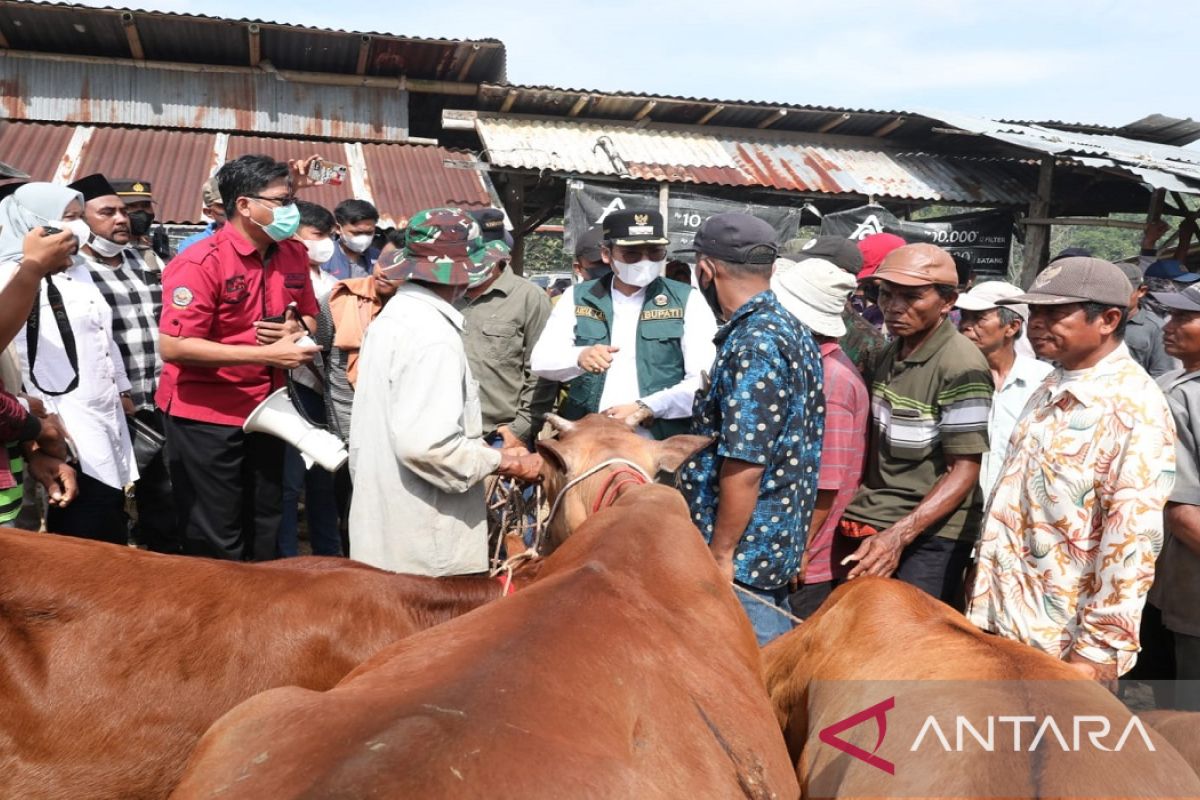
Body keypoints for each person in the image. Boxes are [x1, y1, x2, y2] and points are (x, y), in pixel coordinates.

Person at [966, 257, 1176, 686]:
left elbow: (1131, 542)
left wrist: (1097, 651)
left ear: (1109, 319)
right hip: (1005, 621)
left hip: (1062, 644)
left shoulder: (1133, 407)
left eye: (1055, 313)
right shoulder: (1052, 383)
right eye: (1035, 311)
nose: (1037, 323)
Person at [348, 208, 542, 576]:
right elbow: (428, 447)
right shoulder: (433, 337)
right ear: (466, 272)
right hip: (425, 548)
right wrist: (505, 461)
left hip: (389, 528)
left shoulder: (394, 318)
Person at [157, 154, 320, 562]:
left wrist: (297, 332)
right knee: (216, 531)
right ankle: (213, 618)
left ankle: (254, 615)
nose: (291, 210)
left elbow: (312, 317)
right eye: (282, 201)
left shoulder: (293, 254)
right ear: (245, 205)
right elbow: (174, 346)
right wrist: (265, 352)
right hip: (206, 415)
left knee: (265, 519)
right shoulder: (200, 262)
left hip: (268, 410)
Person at [677, 213, 824, 645]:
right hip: (773, 541)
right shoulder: (791, 330)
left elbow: (746, 460)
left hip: (743, 555)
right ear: (771, 268)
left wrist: (721, 553)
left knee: (751, 675)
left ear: (706, 269)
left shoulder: (754, 341)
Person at [837, 244, 992, 608]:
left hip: (931, 533)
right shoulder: (892, 350)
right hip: (879, 518)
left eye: (911, 296)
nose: (893, 306)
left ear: (948, 301)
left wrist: (899, 536)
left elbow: (964, 469)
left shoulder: (960, 364)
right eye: (885, 294)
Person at [0, 182, 138, 544]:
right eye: (67, 218)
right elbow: (14, 359)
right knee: (81, 520)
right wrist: (36, 424)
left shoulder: (78, 269)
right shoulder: (10, 277)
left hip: (101, 408)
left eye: (80, 218)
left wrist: (120, 388)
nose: (77, 228)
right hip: (55, 416)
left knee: (109, 508)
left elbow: (101, 334)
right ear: (33, 223)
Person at [531, 210, 717, 439]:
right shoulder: (577, 297)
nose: (645, 262)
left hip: (658, 442)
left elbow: (703, 379)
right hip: (588, 441)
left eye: (655, 252)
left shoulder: (687, 300)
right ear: (607, 254)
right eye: (631, 254)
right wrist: (579, 356)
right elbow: (540, 360)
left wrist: (647, 406)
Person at [68, 173, 178, 553]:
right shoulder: (69, 271)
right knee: (105, 504)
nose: (122, 219)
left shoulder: (146, 261)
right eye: (108, 212)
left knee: (163, 502)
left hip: (159, 401)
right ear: (79, 220)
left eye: (123, 212)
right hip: (108, 409)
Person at [772, 256, 868, 619]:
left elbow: (826, 480)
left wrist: (801, 547)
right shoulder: (814, 367)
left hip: (809, 555)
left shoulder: (831, 381)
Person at [276, 200, 342, 557]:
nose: (325, 244)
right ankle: (287, 557)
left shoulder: (335, 284)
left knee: (323, 480)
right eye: (317, 235)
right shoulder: (279, 277)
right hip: (287, 391)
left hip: (323, 392)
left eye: (329, 236)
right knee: (288, 484)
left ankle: (328, 555)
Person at [1147, 282, 1200, 709]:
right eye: (1171, 314)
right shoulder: (1171, 391)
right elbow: (1181, 513)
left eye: (1185, 316)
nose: (1170, 325)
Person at [955, 281, 1053, 500]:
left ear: (1012, 327)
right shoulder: (952, 374)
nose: (965, 326)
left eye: (978, 318)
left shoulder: (1043, 382)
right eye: (964, 317)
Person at [460, 239, 555, 449]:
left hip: (500, 436)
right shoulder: (446, 294)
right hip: (447, 433)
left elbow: (542, 372)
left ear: (501, 257)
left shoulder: (530, 298)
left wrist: (520, 429)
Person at [111, 179, 169, 273]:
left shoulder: (161, 251)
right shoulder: (109, 254)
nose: (141, 212)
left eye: (146, 206)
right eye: (132, 206)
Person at [321, 199, 380, 280]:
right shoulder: (323, 258)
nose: (364, 238)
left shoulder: (379, 257)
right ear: (338, 228)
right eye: (357, 233)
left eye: (369, 232)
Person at [176, 177, 225, 255]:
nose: (231, 209)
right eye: (223, 206)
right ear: (208, 212)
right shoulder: (192, 245)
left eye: (234, 204)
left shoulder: (249, 239)